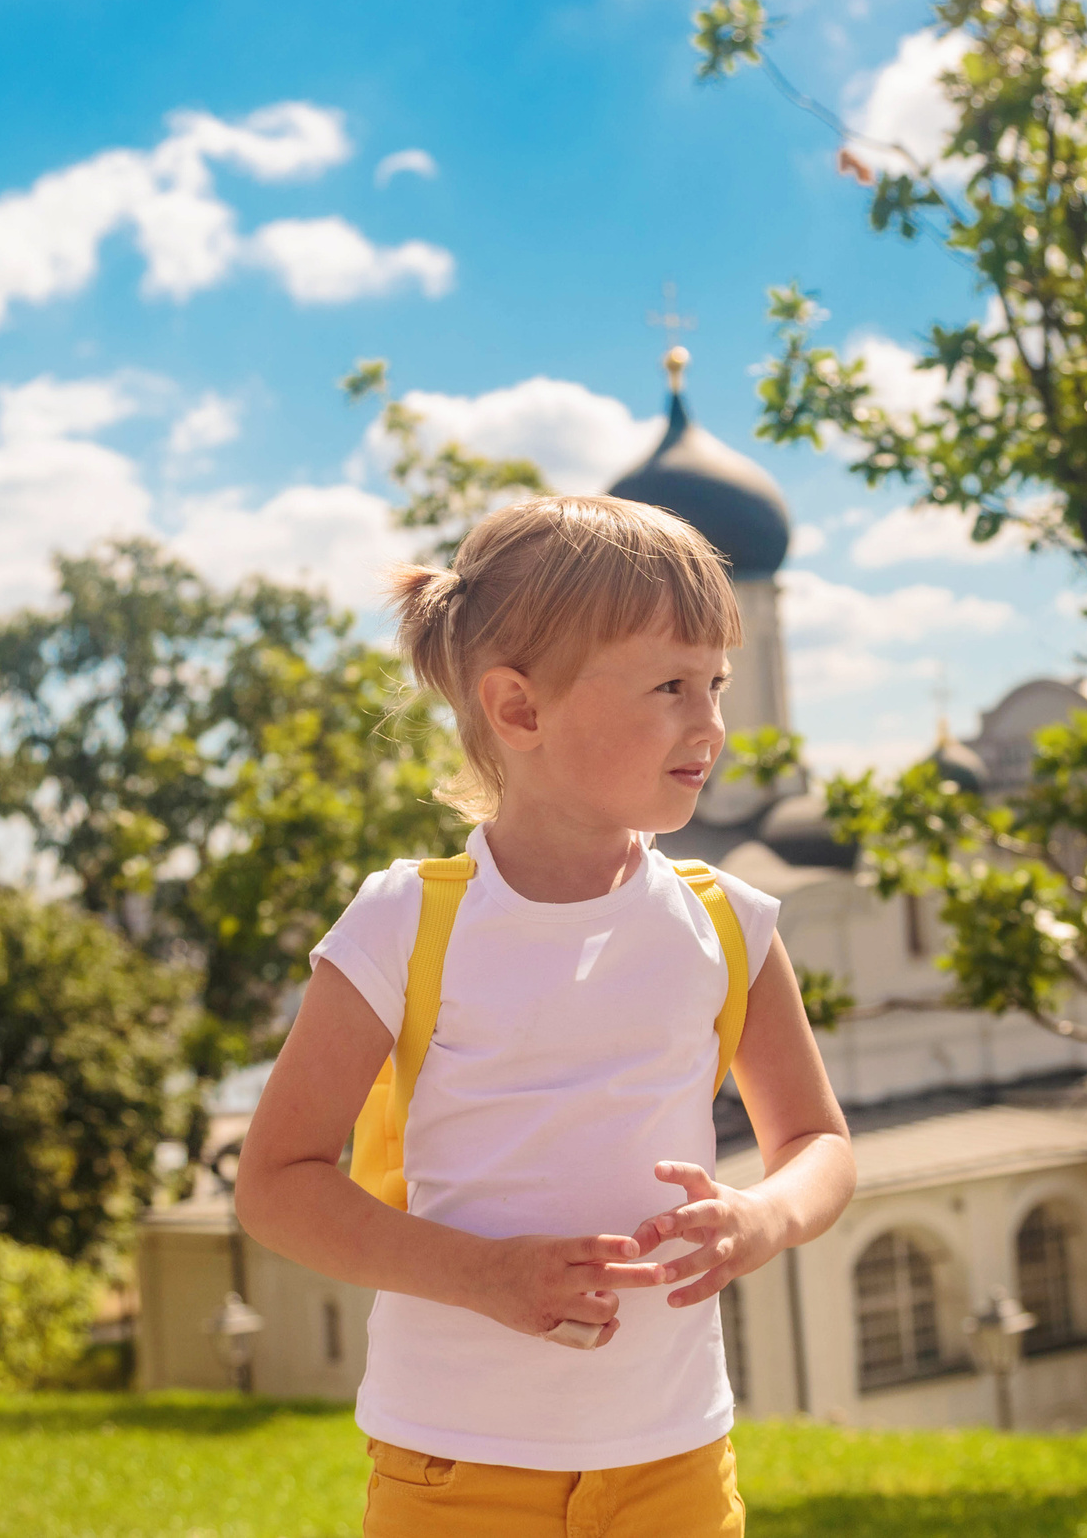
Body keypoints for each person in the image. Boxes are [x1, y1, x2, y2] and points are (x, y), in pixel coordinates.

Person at [237, 494, 855, 1537]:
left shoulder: (730, 923)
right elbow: (276, 1185)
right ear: (519, 710)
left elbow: (817, 1143)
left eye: (715, 683)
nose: (710, 722)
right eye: (669, 685)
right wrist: (478, 1274)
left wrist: (767, 1215)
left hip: (675, 1462)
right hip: (455, 1467)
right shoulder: (404, 922)